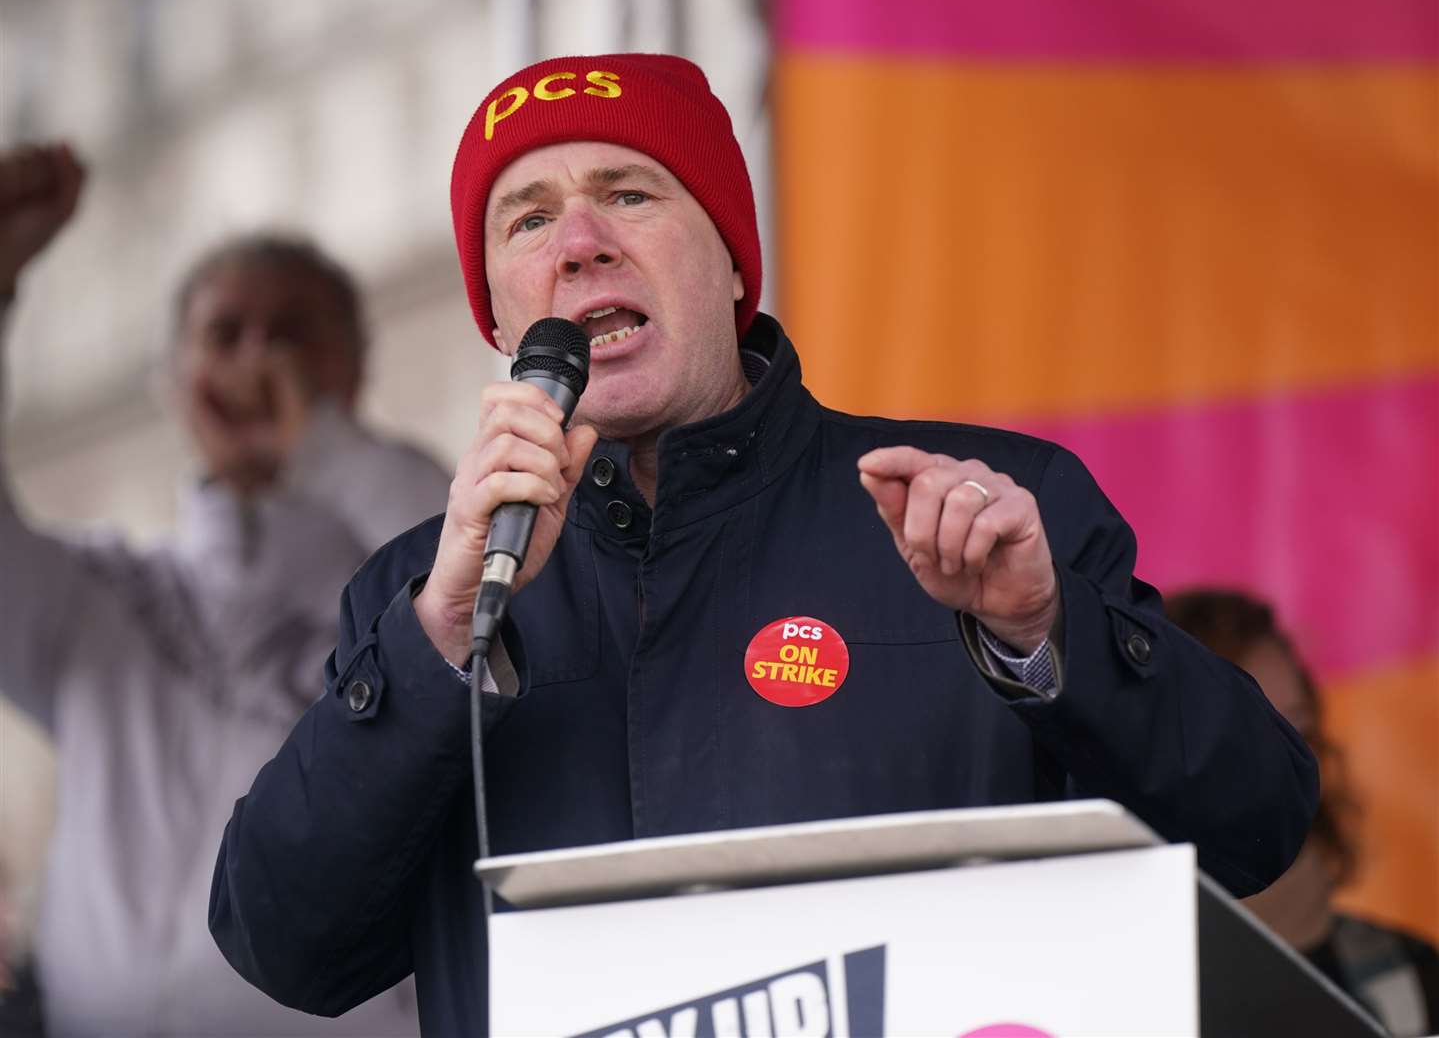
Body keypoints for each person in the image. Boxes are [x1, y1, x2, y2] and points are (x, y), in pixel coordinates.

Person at [209, 54, 1319, 1033]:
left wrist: (1043, 635)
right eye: (528, 219)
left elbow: (1252, 821)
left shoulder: (987, 506)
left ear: (736, 267)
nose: (581, 244)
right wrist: (436, 645)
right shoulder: (418, 594)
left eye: (627, 193)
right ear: (498, 316)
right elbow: (283, 947)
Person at [0, 142, 447, 1036]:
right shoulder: (98, 599)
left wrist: (316, 443)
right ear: (170, 383)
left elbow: (490, 581)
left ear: (353, 370)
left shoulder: (400, 585)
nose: (255, 360)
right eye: (224, 334)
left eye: (291, 334)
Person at [1169, 588, 1439, 1037]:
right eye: (1246, 739)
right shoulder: (1118, 985)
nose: (1282, 764)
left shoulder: (1411, 976)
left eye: (1299, 732)